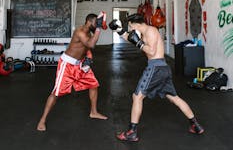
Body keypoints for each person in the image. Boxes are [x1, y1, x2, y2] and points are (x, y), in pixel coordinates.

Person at [109, 13, 204, 142]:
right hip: (162, 68)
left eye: (130, 26)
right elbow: (132, 38)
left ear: (137, 24)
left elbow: (151, 51)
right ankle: (195, 125)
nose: (130, 28)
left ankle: (132, 132)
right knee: (173, 97)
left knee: (137, 96)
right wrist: (119, 31)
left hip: (156, 68)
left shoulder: (151, 31)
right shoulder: (144, 32)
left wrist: (139, 43)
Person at [37, 12, 108, 131]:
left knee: (93, 85)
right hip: (67, 66)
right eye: (96, 23)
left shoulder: (89, 32)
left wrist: (88, 58)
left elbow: (87, 47)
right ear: (89, 22)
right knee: (56, 92)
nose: (97, 25)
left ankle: (93, 112)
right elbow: (91, 43)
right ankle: (42, 120)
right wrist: (99, 29)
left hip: (80, 65)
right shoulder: (80, 31)